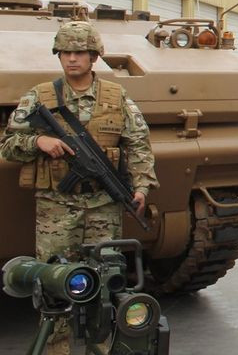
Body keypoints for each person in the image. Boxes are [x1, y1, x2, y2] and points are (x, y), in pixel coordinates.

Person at [0, 20, 158, 355]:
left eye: (80, 53)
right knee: (54, 284)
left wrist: (142, 187)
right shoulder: (40, 96)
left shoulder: (117, 97)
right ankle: (57, 348)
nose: (72, 59)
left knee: (106, 284)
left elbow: (140, 145)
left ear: (94, 56)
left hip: (103, 206)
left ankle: (100, 346)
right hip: (56, 209)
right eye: (66, 52)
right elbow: (8, 144)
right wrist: (38, 140)